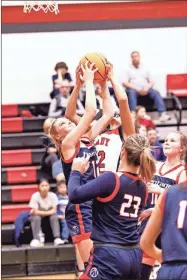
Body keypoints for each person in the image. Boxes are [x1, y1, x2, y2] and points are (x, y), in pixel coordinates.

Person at [48, 62, 114, 267]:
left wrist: (103, 85)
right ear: (57, 136)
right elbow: (90, 111)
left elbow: (109, 113)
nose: (67, 122)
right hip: (80, 205)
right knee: (91, 266)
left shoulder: (85, 138)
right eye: (61, 124)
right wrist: (87, 82)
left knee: (102, 263)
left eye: (67, 122)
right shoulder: (67, 144)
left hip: (96, 202)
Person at [67, 134, 156, 280]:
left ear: (123, 152)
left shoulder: (112, 179)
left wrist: (76, 171)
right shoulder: (143, 186)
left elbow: (75, 195)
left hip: (110, 254)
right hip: (134, 254)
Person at [139, 132, 186, 279]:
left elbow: (180, 201)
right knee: (142, 270)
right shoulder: (154, 166)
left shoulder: (182, 172)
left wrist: (161, 192)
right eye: (165, 140)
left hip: (167, 224)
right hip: (149, 221)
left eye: (172, 141)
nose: (167, 143)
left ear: (182, 148)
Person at [123, 51, 171, 122]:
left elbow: (151, 81)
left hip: (146, 89)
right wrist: (137, 88)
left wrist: (147, 88)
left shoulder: (145, 68)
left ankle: (163, 114)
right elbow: (125, 83)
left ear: (139, 57)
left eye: (136, 56)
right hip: (134, 89)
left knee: (156, 92)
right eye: (132, 57)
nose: (134, 58)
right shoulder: (127, 69)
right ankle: (133, 114)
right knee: (131, 92)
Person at [29, 178, 64, 247]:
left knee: (54, 216)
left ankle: (57, 238)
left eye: (46, 185)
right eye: (42, 186)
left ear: (49, 186)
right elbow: (35, 211)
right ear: (38, 186)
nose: (44, 187)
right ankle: (36, 239)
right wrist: (48, 212)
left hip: (49, 215)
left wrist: (43, 212)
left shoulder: (53, 195)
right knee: (36, 217)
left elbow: (54, 210)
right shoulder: (35, 196)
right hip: (39, 215)